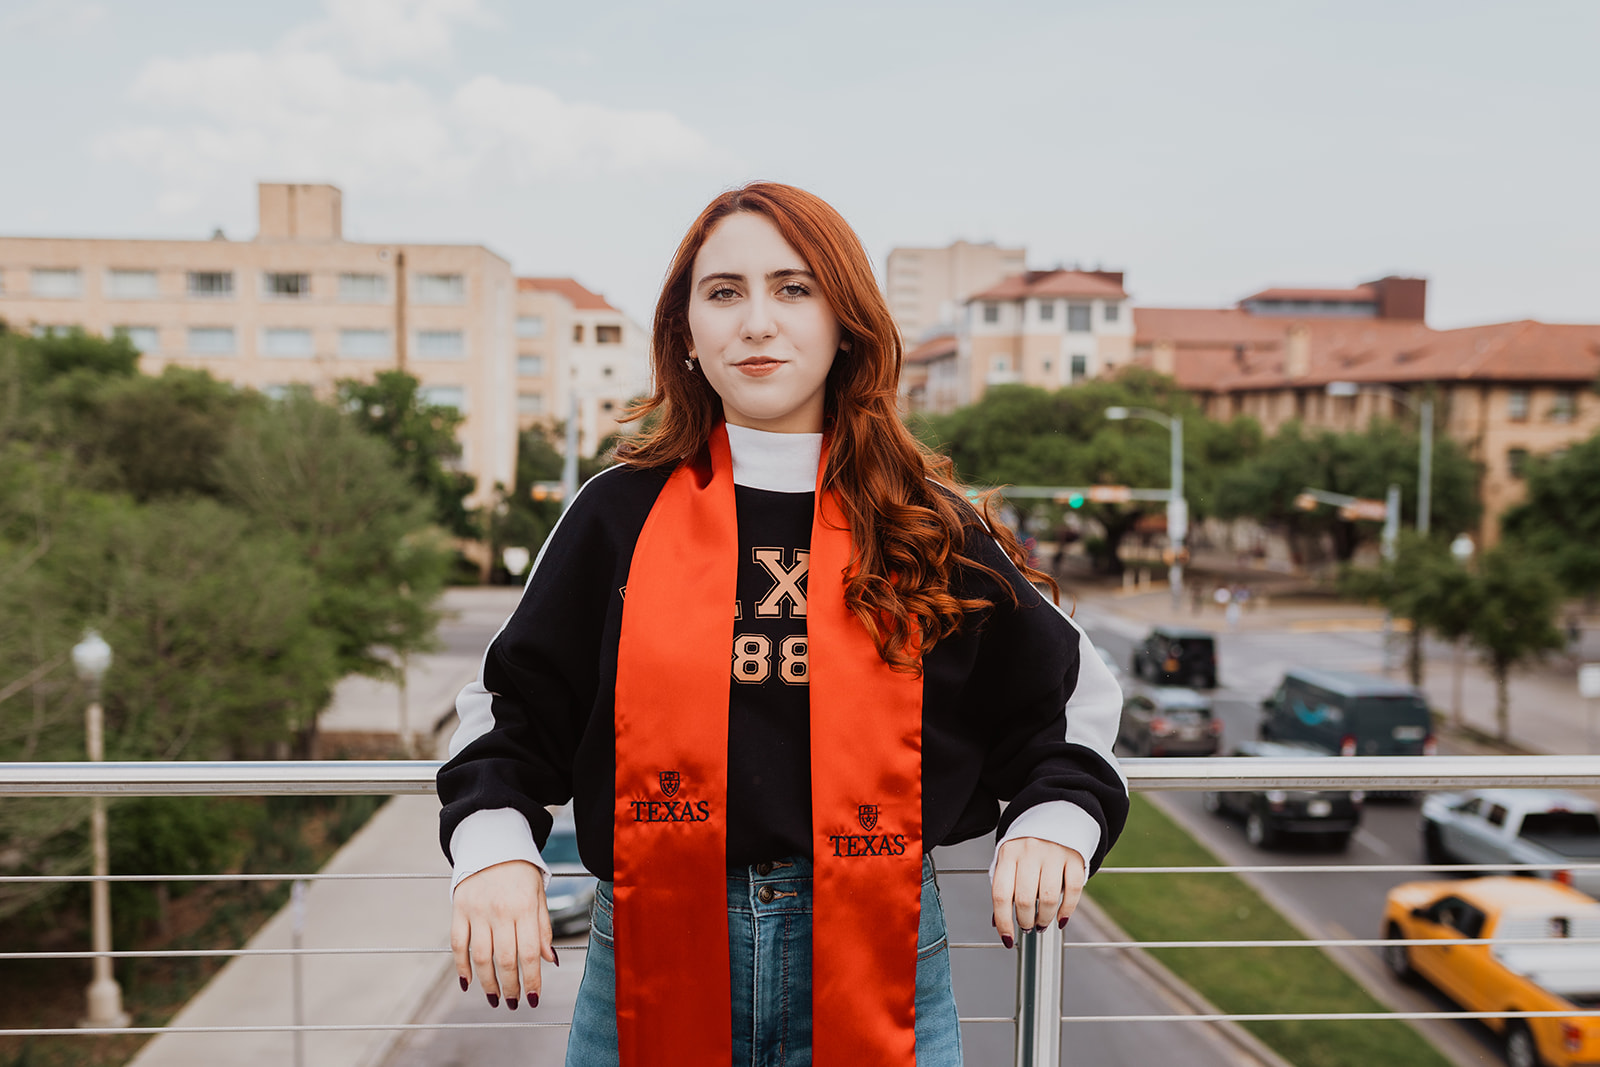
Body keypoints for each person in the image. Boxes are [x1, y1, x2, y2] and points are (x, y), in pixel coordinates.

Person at [436, 182, 1128, 1067]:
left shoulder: (926, 523)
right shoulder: (617, 514)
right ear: (685, 332)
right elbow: (511, 712)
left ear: (846, 321)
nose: (756, 322)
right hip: (648, 950)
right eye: (723, 292)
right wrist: (494, 849)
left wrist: (1052, 822)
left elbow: (1074, 702)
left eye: (793, 288)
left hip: (883, 956)